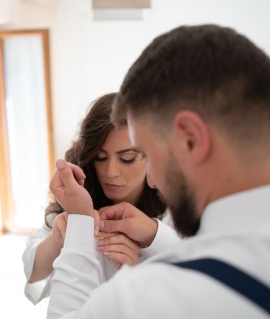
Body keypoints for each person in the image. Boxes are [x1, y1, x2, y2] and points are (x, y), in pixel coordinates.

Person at [46, 24, 270, 318]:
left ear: (190, 139)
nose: (152, 180)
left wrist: (80, 224)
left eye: (147, 155)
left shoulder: (152, 297)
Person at [22, 92, 179, 304]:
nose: (110, 172)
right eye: (100, 157)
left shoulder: (175, 213)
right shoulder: (77, 198)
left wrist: (134, 271)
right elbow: (33, 272)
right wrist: (63, 236)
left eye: (127, 159)